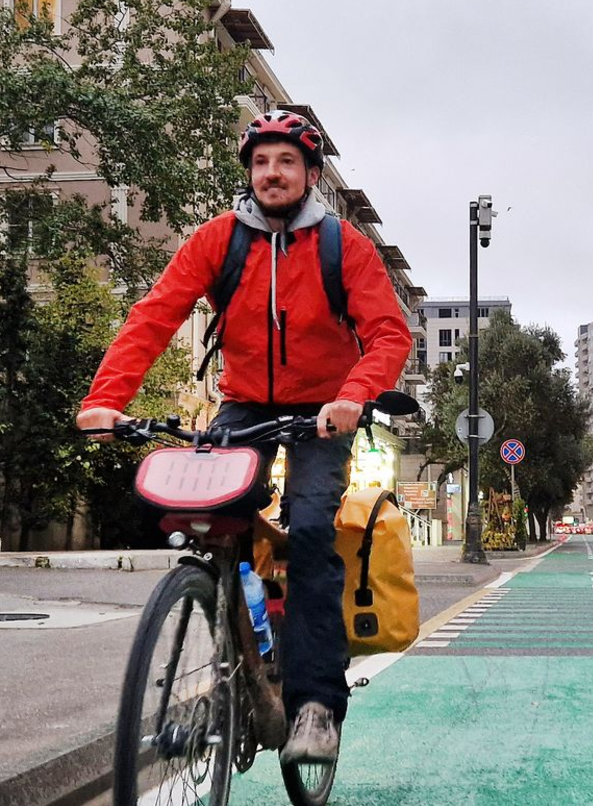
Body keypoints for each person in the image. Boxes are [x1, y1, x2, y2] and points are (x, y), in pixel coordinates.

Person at [76, 111, 412, 764]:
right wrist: (105, 402)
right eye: (261, 162)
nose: (272, 173)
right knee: (208, 516)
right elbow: (154, 316)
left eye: (286, 162)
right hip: (244, 402)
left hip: (325, 409)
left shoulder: (344, 245)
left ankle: (315, 706)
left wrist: (353, 395)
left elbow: (388, 333)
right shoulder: (218, 239)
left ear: (311, 174)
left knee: (311, 531)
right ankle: (243, 655)